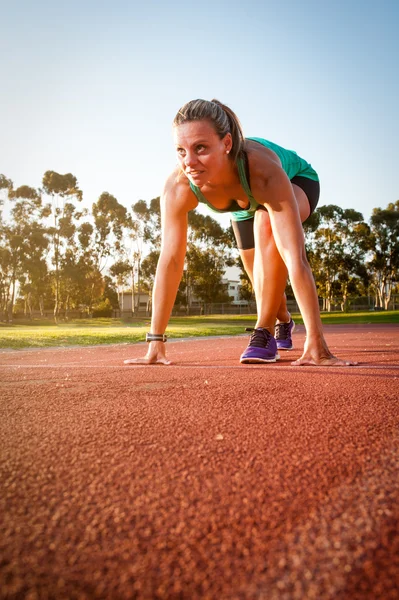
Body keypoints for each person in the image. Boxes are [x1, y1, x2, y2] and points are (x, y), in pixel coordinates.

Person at [124, 99, 355, 367]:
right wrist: (156, 340)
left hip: (295, 181)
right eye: (180, 150)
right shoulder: (178, 187)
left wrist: (317, 341)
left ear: (227, 143)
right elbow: (171, 260)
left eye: (200, 148)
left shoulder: (263, 171)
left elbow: (294, 257)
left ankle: (263, 333)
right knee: (261, 281)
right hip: (243, 207)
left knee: (265, 220)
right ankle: (284, 321)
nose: (189, 162)